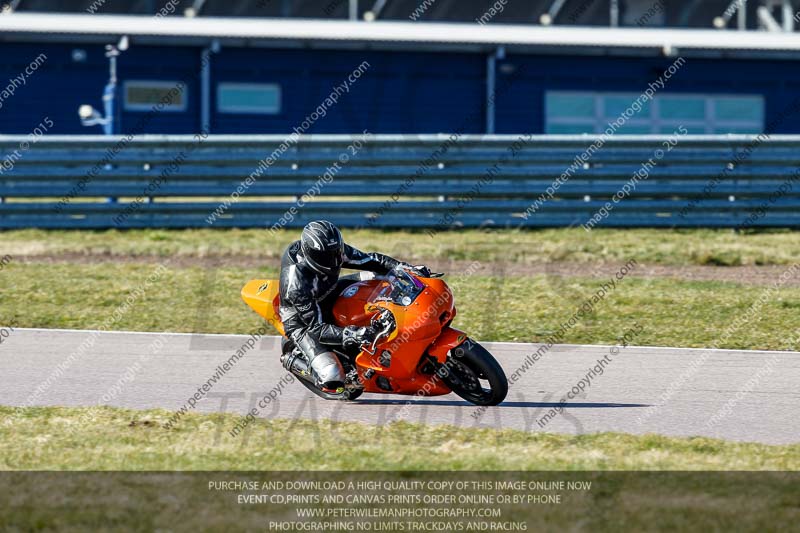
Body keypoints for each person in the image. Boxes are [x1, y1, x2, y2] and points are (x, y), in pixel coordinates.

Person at [278, 220, 425, 390]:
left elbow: (370, 260)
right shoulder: (296, 283)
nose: (334, 260)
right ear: (311, 254)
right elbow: (316, 328)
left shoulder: (332, 250)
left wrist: (403, 268)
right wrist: (351, 334)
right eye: (327, 257)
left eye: (336, 253)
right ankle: (296, 363)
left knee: (375, 276)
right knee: (332, 376)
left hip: (330, 291)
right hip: (301, 321)